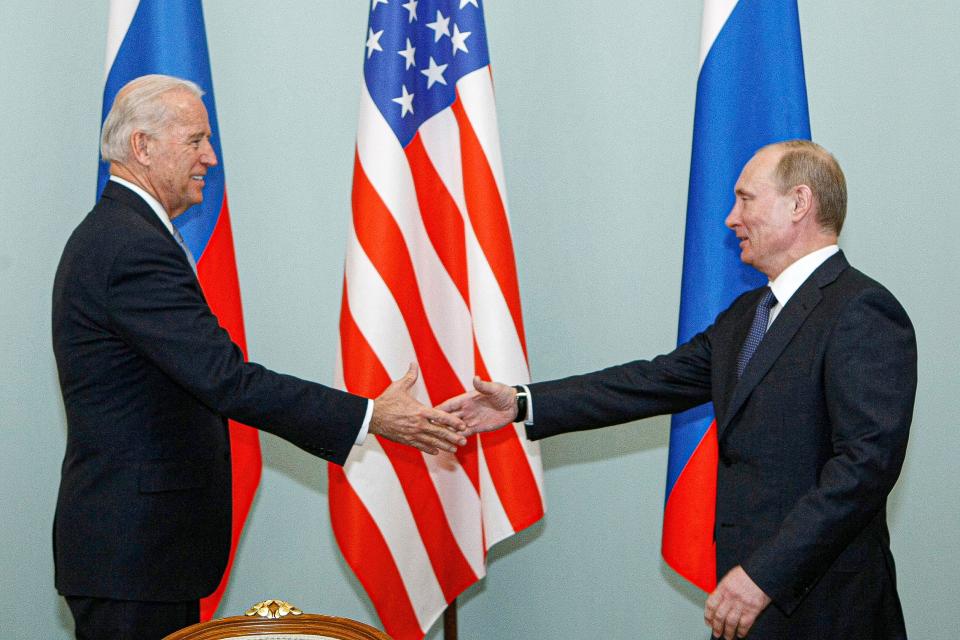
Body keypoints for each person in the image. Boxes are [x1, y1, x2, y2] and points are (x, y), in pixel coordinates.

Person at [439, 140, 917, 639]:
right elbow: (649, 382)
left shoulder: (861, 311)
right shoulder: (747, 315)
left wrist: (765, 575)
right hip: (748, 602)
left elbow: (865, 467)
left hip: (826, 609)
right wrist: (521, 403)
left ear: (799, 203)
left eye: (746, 199)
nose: (732, 218)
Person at [52, 74, 466, 640]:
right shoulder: (129, 246)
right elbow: (227, 380)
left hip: (142, 551)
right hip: (133, 553)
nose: (211, 157)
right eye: (196, 139)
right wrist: (370, 416)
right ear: (142, 147)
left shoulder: (126, 234)